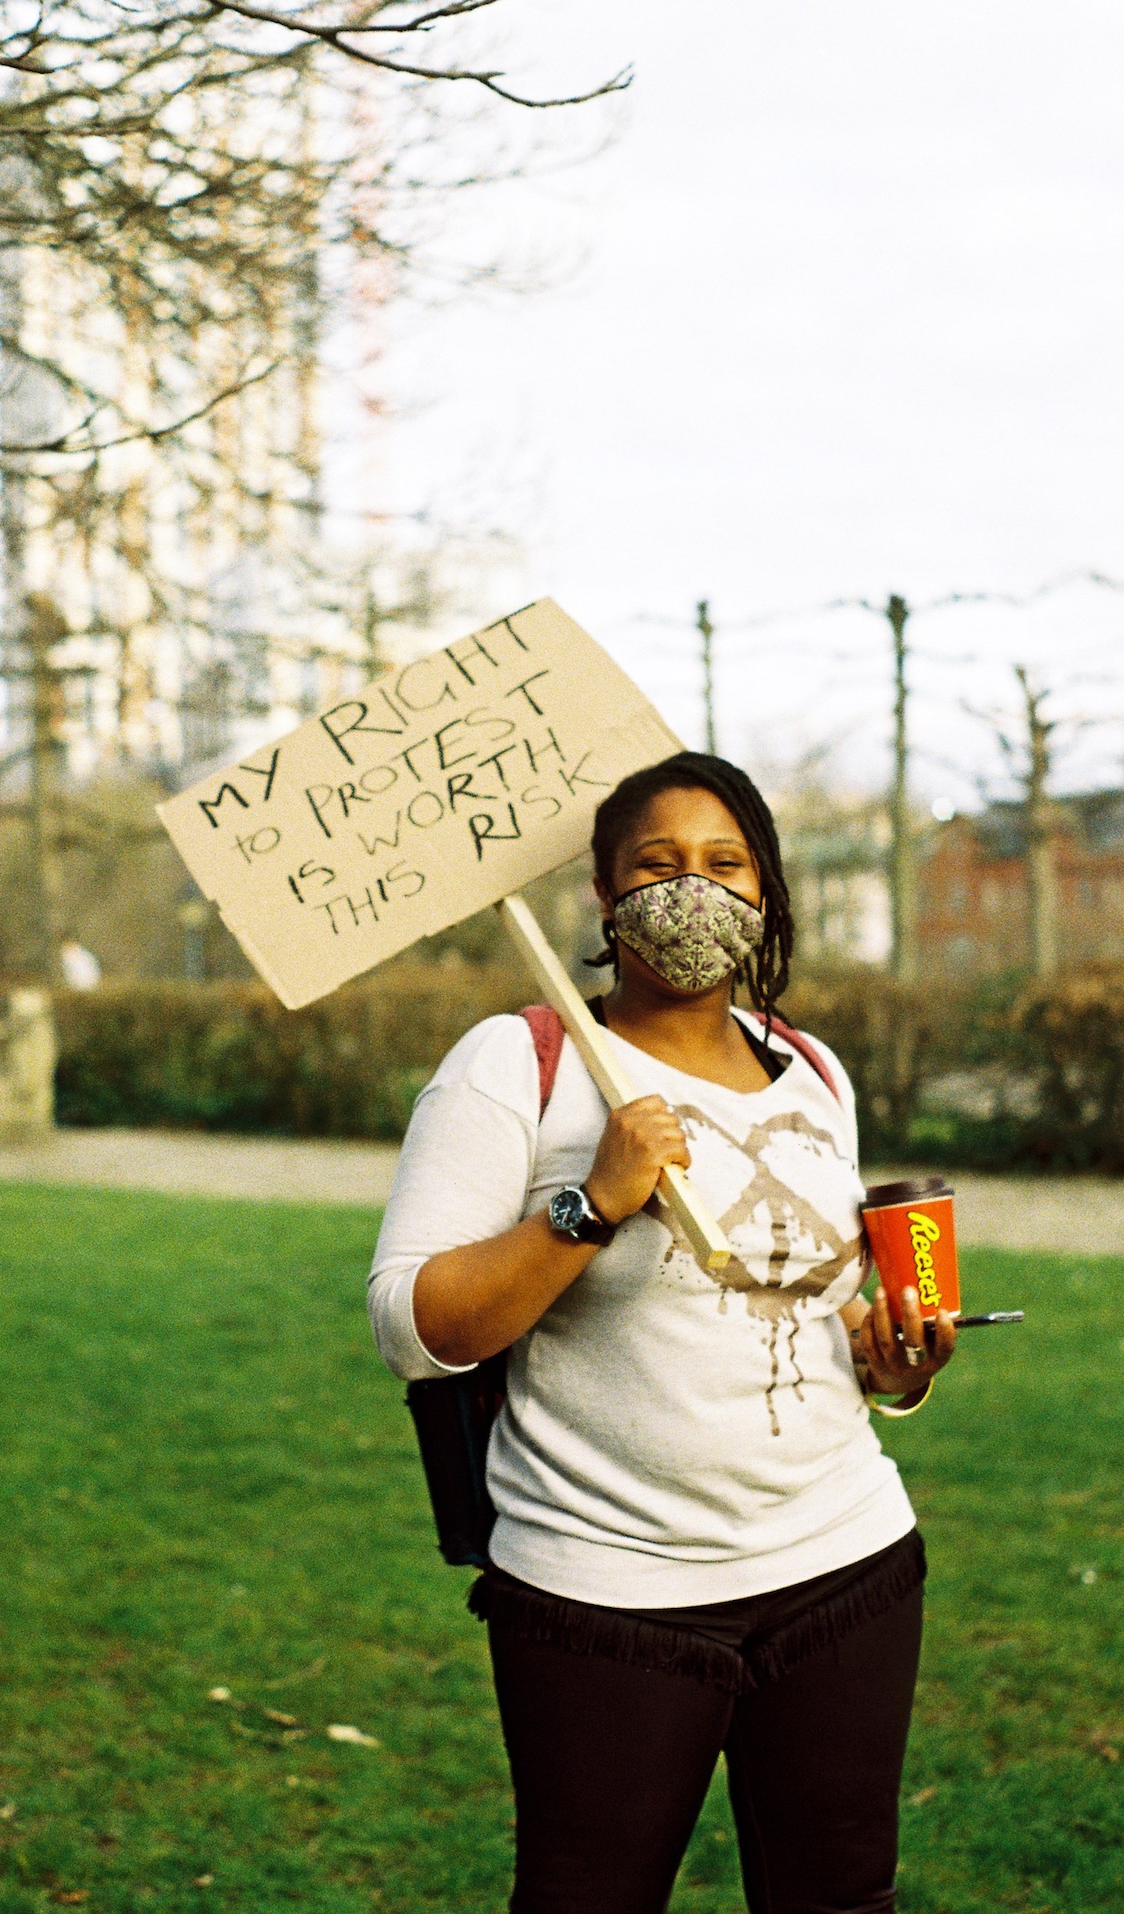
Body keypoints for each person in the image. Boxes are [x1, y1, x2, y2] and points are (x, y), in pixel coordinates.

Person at [368, 752, 956, 1914]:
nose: (692, 887)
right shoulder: (516, 1062)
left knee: (841, 1899)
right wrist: (588, 1205)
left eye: (724, 862)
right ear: (602, 893)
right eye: (657, 863)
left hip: (844, 1565)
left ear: (764, 888)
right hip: (605, 1597)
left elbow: (799, 1305)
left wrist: (891, 1362)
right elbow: (410, 1327)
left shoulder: (811, 1070)